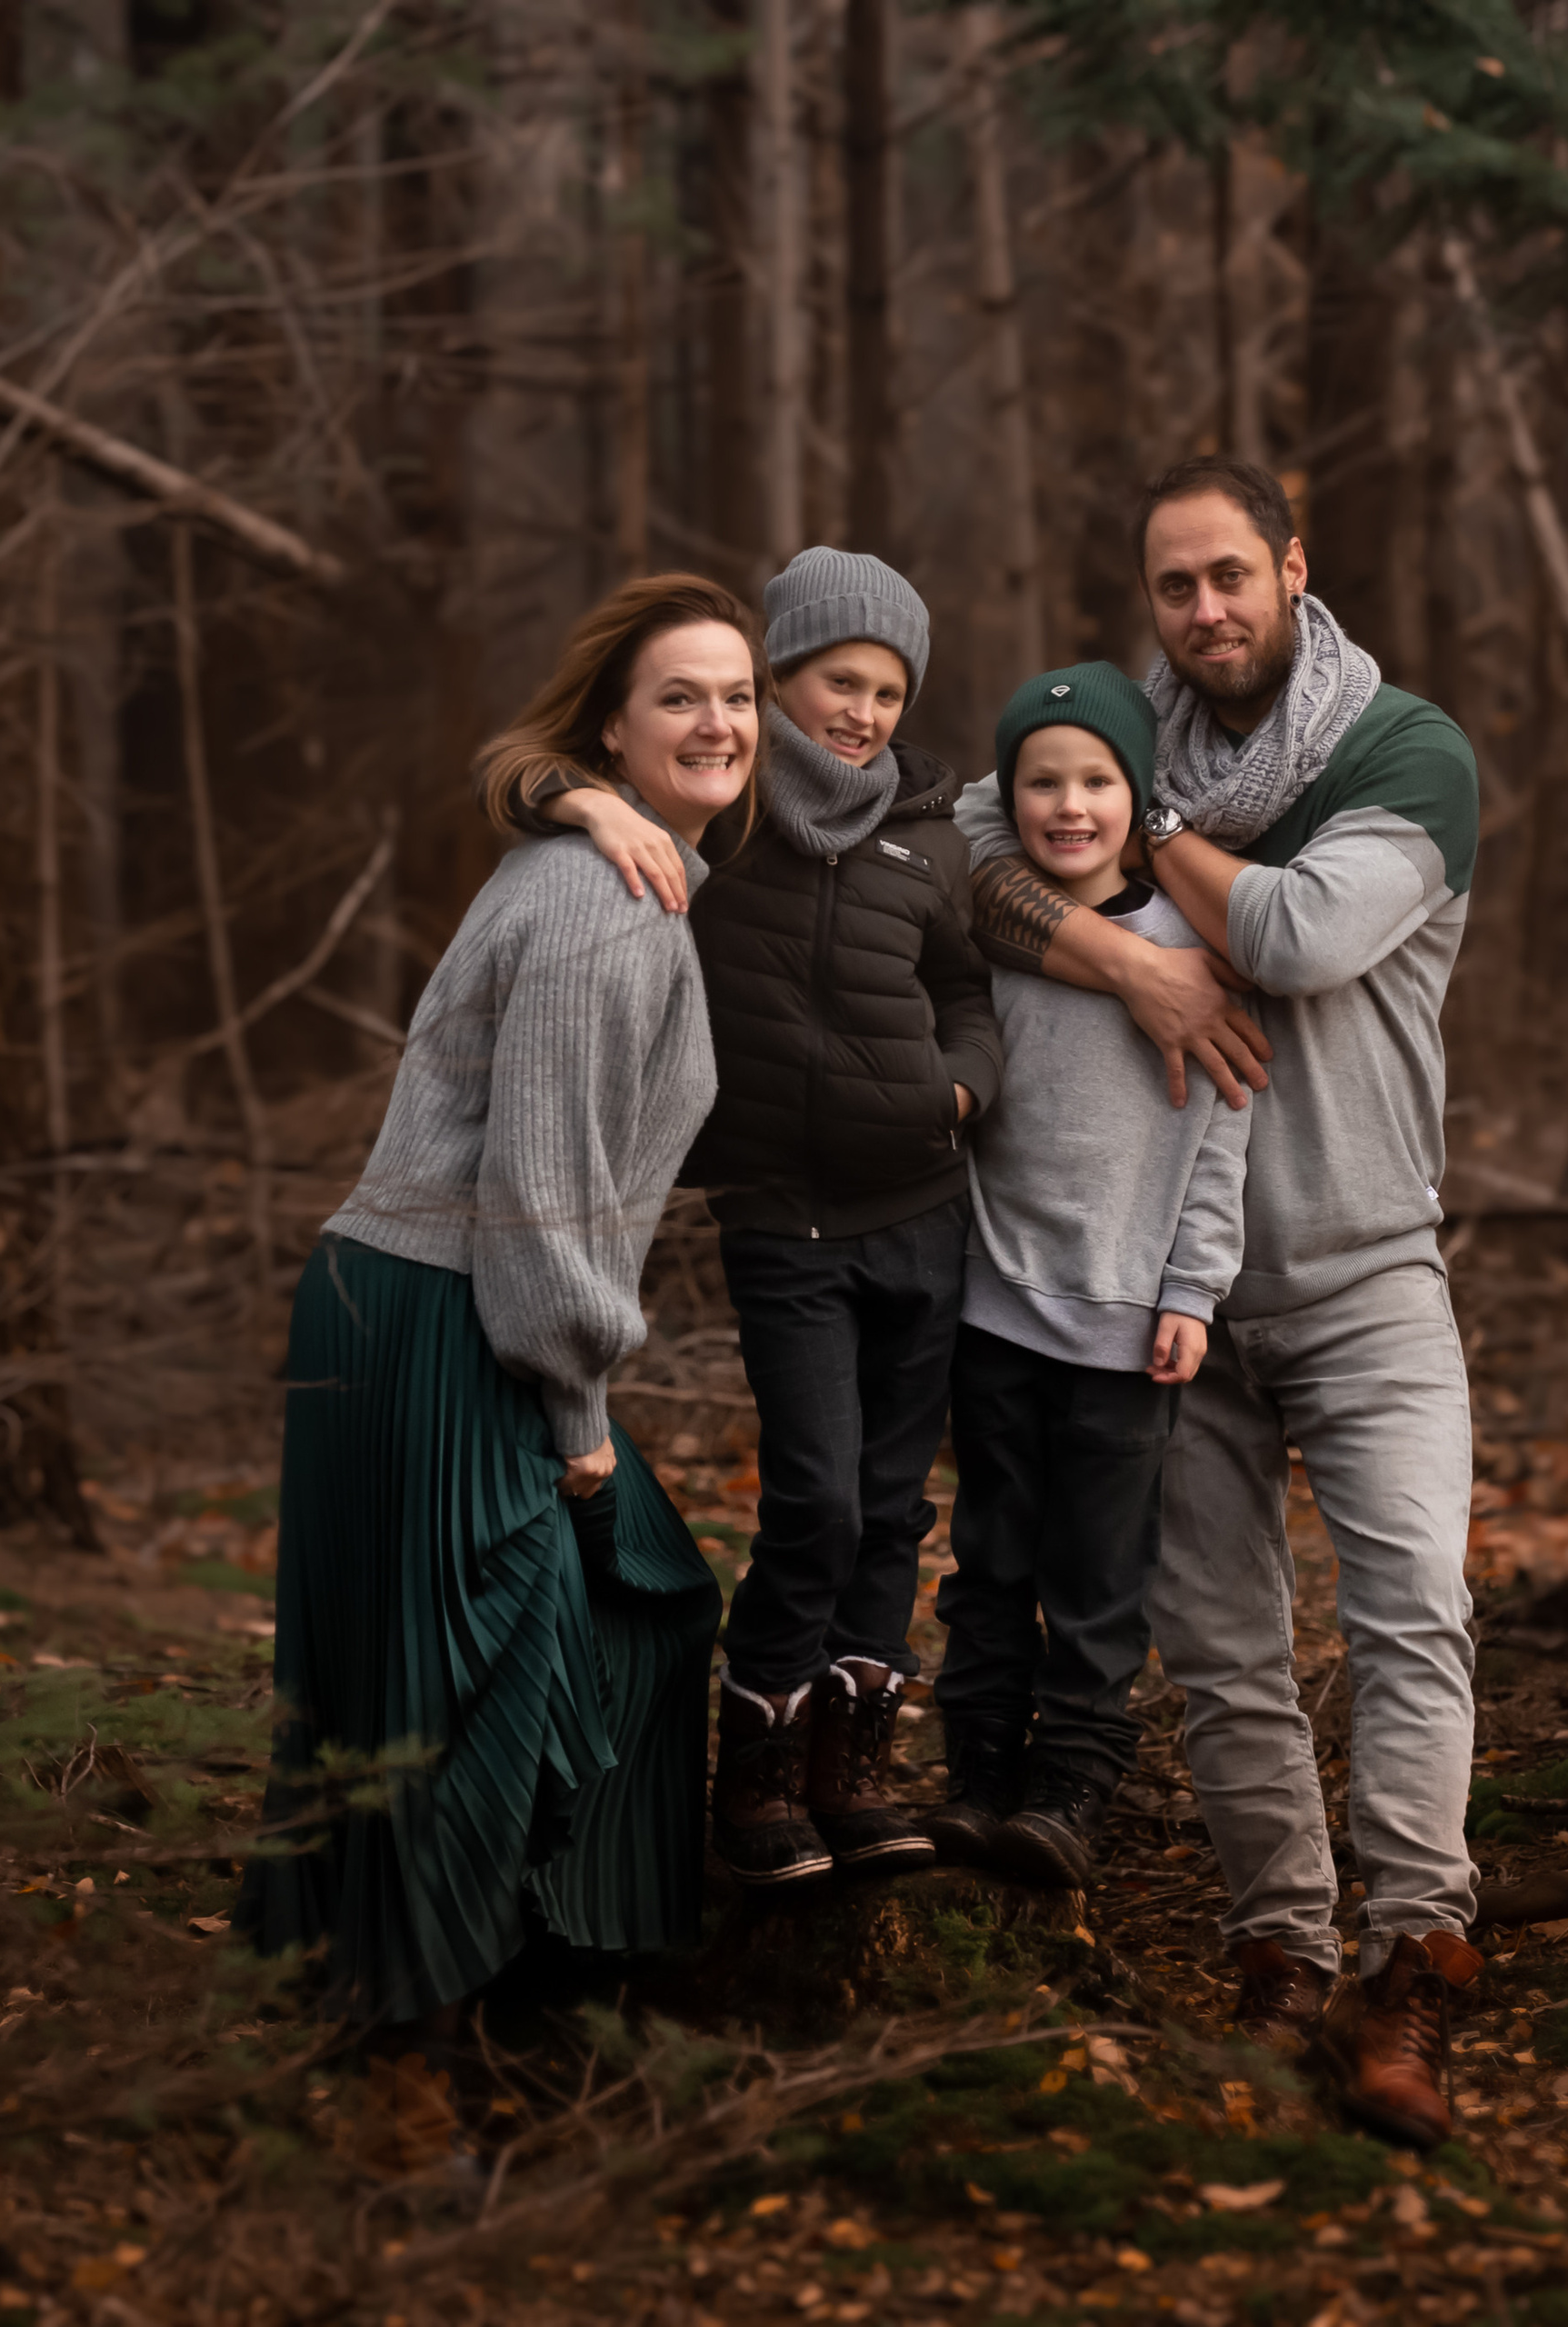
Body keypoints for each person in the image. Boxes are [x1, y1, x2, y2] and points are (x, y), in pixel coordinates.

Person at [954, 458, 1483, 2148]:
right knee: (1227, 1653)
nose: (1205, 614)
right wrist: (1117, 959)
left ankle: (1411, 1962)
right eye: (1175, 589)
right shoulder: (1107, 735)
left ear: (1294, 570)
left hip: (1365, 1267)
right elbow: (967, 851)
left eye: (1230, 578)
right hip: (1154, 1296)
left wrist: (1158, 837)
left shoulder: (1400, 750)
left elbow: (1303, 936)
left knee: (1413, 1607)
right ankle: (1282, 1951)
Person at [237, 573, 759, 2031]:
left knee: (504, 1661)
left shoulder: (606, 870)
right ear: (613, 730)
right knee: (498, 1686)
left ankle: (484, 2005)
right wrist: (578, 1407)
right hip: (443, 1318)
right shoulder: (612, 908)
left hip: (387, 1301)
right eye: (681, 696)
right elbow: (537, 1187)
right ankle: (436, 2058)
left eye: (738, 695)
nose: (720, 722)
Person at [525, 549, 1004, 1891]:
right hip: (784, 1223)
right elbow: (526, 767)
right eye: (836, 681)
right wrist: (576, 799)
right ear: (776, 679)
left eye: (888, 691)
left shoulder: (934, 835)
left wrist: (965, 1085)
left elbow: (968, 990)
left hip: (926, 1211)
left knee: (899, 1506)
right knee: (817, 1497)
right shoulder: (717, 821)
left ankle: (855, 1759)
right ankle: (761, 1760)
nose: (861, 712)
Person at [925, 664, 1250, 1892]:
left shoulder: (1187, 949)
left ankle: (1070, 1789)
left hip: (1127, 1323)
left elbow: (1224, 1140)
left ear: (1139, 795)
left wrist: (1191, 1292)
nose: (1069, 806)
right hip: (995, 1306)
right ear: (1006, 798)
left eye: (1097, 780)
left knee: (1101, 1575)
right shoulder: (994, 936)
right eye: (1041, 783)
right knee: (992, 1557)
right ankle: (976, 1777)